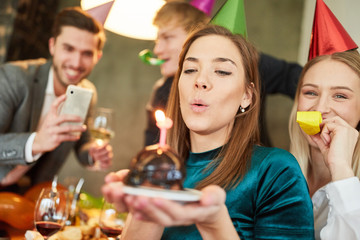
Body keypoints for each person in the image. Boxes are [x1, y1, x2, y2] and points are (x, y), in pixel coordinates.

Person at [102, 25, 314, 239]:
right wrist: (144, 212)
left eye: (222, 71)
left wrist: (214, 222)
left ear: (247, 96)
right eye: (190, 70)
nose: (200, 81)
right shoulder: (159, 173)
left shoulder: (275, 171)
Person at [145, 1, 303, 147]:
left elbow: (294, 77)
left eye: (167, 37)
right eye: (190, 70)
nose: (157, 49)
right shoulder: (161, 92)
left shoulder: (249, 63)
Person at [0, 7, 113, 194]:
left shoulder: (86, 93)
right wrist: (37, 142)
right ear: (52, 46)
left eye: (87, 53)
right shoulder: (14, 78)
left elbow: (82, 142)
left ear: (97, 57)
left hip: (32, 196)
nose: (76, 63)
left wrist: (92, 153)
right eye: (69, 49)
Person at [288, 50, 360, 240]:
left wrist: (340, 167)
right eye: (311, 92)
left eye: (340, 96)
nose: (320, 109)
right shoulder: (276, 174)